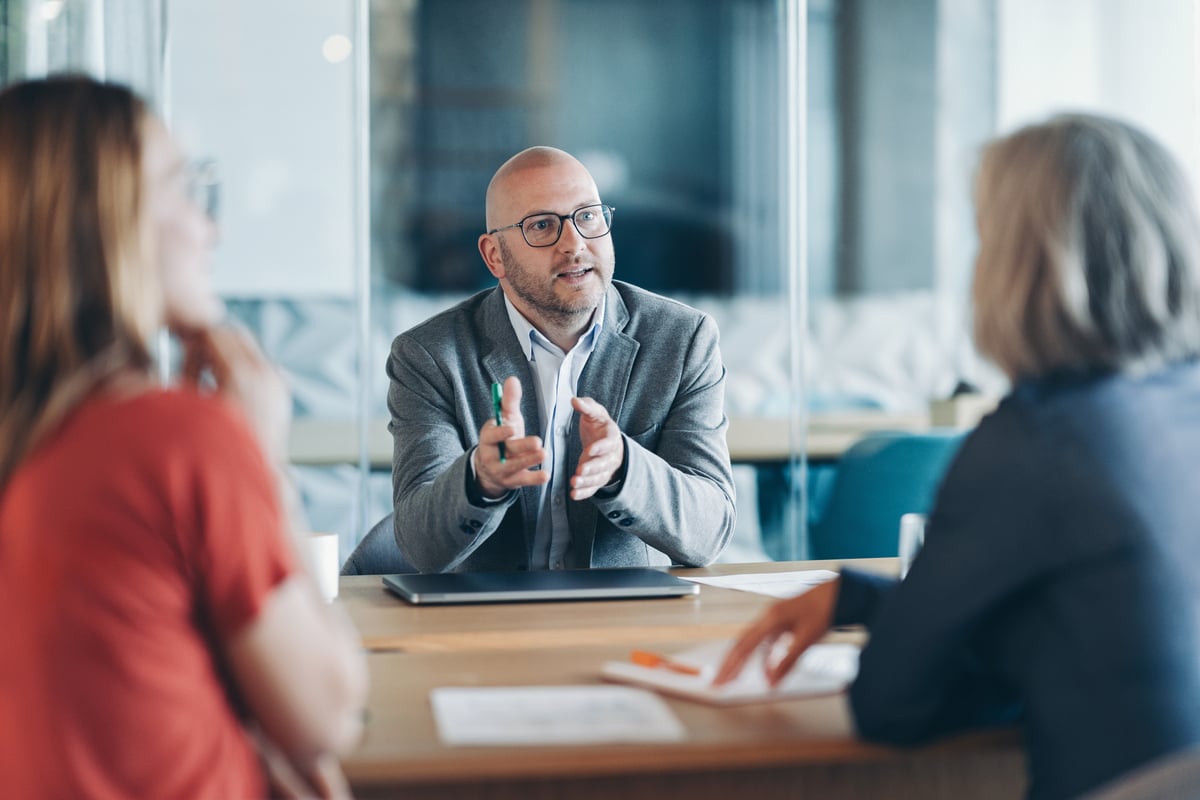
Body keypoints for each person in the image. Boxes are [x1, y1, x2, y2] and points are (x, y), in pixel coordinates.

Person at [715, 113, 1200, 800]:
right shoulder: (1178, 407)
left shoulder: (1035, 441)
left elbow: (893, 707)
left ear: (1018, 264)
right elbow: (1088, 624)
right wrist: (868, 601)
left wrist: (902, 622)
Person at [0, 76, 367, 799]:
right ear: (104, 222)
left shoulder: (31, 436)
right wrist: (263, 459)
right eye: (182, 187)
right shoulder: (172, 439)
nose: (210, 229)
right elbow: (328, 714)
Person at [387, 146, 735, 572]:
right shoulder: (429, 356)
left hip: (626, 608)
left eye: (587, 216)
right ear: (494, 255)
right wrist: (480, 480)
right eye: (541, 225)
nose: (574, 244)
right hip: (488, 610)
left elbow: (709, 532)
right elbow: (419, 547)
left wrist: (624, 467)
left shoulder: (682, 340)